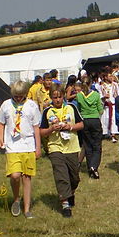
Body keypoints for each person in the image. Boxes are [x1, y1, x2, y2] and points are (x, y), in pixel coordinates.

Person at [0, 80, 42, 219]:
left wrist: (38, 147)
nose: (18, 98)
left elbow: (36, 128)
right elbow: (0, 123)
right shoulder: (6, 105)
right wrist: (0, 139)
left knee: (26, 178)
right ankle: (16, 199)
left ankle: (27, 209)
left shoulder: (32, 106)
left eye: (21, 96)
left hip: (28, 145)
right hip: (12, 146)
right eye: (16, 96)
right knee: (15, 175)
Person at [39, 85, 84, 217]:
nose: (57, 100)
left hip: (71, 146)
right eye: (55, 97)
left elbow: (81, 124)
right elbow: (42, 131)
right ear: (51, 97)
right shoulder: (47, 111)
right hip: (55, 147)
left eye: (59, 97)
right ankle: (65, 205)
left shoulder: (71, 107)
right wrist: (52, 129)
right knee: (61, 175)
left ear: (63, 96)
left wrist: (70, 127)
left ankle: (70, 193)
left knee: (74, 177)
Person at [76, 76, 104, 179]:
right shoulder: (96, 95)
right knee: (97, 146)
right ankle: (94, 166)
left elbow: (79, 109)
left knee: (87, 145)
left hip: (85, 121)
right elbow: (100, 109)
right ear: (90, 83)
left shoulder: (79, 96)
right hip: (95, 120)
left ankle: (89, 167)